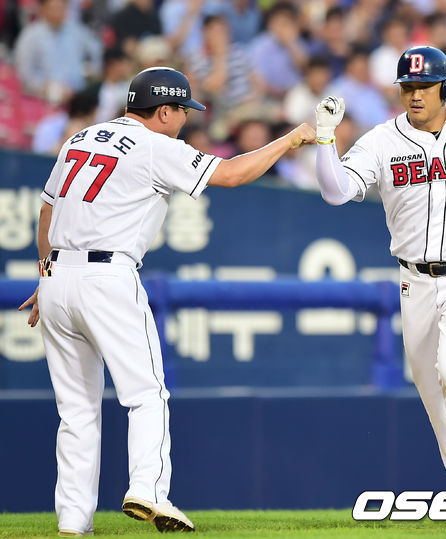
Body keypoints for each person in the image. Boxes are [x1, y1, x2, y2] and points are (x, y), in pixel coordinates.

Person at [19, 66, 315, 536]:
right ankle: (149, 491)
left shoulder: (82, 137)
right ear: (162, 111)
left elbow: (47, 210)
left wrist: (45, 273)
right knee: (147, 394)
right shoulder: (156, 145)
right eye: (182, 111)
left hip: (57, 275)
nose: (184, 120)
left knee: (75, 411)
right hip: (107, 276)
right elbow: (233, 174)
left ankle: (73, 522)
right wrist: (290, 139)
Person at [314, 46, 446, 528]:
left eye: (424, 87)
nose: (415, 95)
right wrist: (325, 141)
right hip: (414, 280)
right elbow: (336, 192)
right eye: (407, 87)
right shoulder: (382, 140)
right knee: (431, 387)